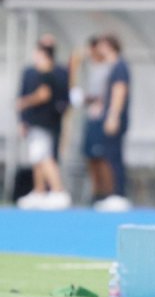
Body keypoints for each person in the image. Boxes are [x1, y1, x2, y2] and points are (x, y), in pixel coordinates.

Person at [16, 43, 72, 210]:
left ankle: (58, 191)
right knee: (37, 158)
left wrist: (24, 102)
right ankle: (39, 191)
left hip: (43, 121)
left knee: (45, 157)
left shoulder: (48, 74)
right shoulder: (42, 73)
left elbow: (44, 95)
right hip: (37, 122)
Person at [92, 34, 132, 212]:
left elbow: (119, 91)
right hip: (109, 115)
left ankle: (119, 194)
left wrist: (113, 115)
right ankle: (113, 193)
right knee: (109, 154)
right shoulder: (113, 67)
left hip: (115, 118)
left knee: (114, 156)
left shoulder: (119, 66)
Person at [76, 36, 115, 205]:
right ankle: (97, 192)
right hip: (91, 117)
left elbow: (105, 95)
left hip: (102, 118)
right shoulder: (91, 68)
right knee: (90, 156)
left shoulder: (110, 68)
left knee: (102, 156)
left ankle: (108, 193)